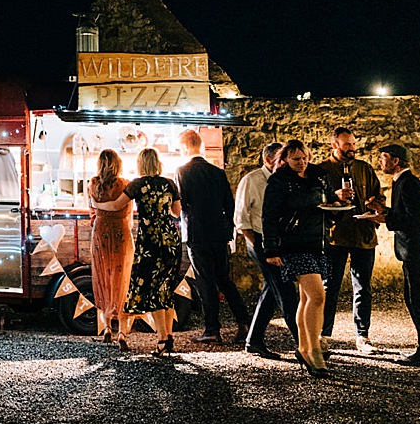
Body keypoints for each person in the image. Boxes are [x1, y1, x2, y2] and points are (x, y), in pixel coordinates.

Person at [362, 143, 420, 366]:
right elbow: (404, 214)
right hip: (411, 252)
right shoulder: (401, 183)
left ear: (396, 161)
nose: (380, 162)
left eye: (384, 157)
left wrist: (386, 219)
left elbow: (417, 220)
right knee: (413, 299)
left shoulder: (408, 184)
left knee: (419, 301)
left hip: (417, 250)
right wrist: (384, 211)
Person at [262, 138, 333, 377]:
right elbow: (269, 216)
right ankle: (313, 349)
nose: (301, 163)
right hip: (293, 245)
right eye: (295, 159)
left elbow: (329, 206)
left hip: (317, 243)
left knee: (306, 298)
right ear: (284, 160)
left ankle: (304, 347)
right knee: (317, 296)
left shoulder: (319, 177)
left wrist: (339, 202)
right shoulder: (279, 181)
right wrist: (271, 250)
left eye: (304, 158)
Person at [173, 129, 249, 343]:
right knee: (224, 280)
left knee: (205, 282)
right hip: (219, 233)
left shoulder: (182, 172)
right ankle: (244, 322)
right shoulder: (218, 172)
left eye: (180, 148)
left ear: (186, 147)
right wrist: (227, 229)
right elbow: (229, 205)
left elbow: (181, 204)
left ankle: (212, 330)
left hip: (198, 233)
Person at [319, 126, 384, 353]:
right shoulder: (322, 171)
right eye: (347, 145)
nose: (352, 149)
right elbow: (315, 201)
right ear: (334, 145)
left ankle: (363, 336)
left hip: (363, 236)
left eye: (354, 144)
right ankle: (324, 335)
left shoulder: (364, 168)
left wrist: (376, 205)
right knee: (330, 288)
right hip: (335, 237)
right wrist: (333, 197)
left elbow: (379, 194)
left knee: (363, 287)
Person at [234, 141, 294, 359]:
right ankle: (304, 343)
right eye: (282, 158)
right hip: (259, 240)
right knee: (285, 290)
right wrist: (256, 244)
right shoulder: (251, 180)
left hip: (279, 241)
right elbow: (240, 218)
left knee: (272, 289)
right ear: (269, 159)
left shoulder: (283, 180)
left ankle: (254, 340)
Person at [123, 147, 183, 356]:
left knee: (156, 289)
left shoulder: (137, 184)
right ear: (158, 163)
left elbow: (117, 205)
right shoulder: (169, 183)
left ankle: (162, 340)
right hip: (171, 240)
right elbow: (177, 212)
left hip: (150, 242)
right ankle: (168, 337)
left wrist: (96, 203)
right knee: (166, 288)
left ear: (140, 164)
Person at [87, 149, 133, 346]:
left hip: (101, 230)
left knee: (103, 277)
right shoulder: (125, 184)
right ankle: (122, 332)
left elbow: (91, 210)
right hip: (121, 230)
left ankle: (106, 328)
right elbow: (129, 211)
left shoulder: (93, 184)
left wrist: (98, 213)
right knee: (122, 279)